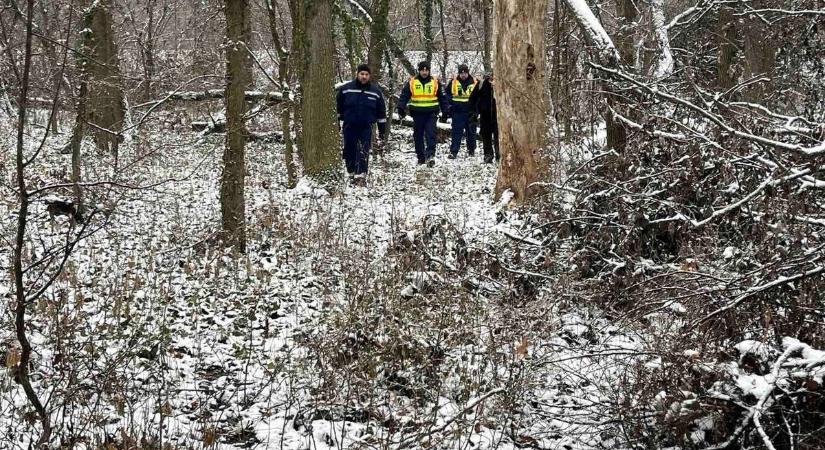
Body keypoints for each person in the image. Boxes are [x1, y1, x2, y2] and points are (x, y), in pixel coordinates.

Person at [336, 63, 387, 186]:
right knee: (349, 150)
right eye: (362, 74)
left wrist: (382, 131)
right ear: (357, 74)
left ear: (369, 76)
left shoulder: (375, 92)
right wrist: (336, 123)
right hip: (349, 125)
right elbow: (338, 108)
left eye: (366, 74)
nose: (364, 77)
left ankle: (361, 177)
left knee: (363, 150)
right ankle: (351, 173)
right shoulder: (346, 89)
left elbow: (381, 113)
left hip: (366, 127)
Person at [396, 61, 449, 167]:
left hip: (431, 113)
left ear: (429, 71)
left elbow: (443, 97)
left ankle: (430, 156)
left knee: (431, 134)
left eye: (426, 70)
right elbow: (404, 96)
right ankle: (421, 157)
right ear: (419, 70)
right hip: (417, 114)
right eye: (422, 70)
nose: (424, 72)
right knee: (418, 136)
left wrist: (445, 111)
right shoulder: (412, 82)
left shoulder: (435, 82)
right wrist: (401, 107)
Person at [445, 64, 477, 159]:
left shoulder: (475, 83)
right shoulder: (453, 82)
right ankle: (453, 152)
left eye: (465, 72)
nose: (463, 75)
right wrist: (452, 104)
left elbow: (479, 97)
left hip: (470, 112)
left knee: (471, 133)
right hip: (458, 111)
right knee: (456, 133)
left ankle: (471, 151)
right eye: (461, 73)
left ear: (468, 73)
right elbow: (447, 95)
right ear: (459, 73)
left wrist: (476, 111)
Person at [468, 72, 499, 164]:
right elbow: (472, 98)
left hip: (498, 116)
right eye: (491, 78)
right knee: (486, 136)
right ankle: (488, 155)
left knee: (498, 137)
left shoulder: (502, 84)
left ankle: (499, 155)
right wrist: (473, 112)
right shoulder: (481, 84)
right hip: (485, 115)